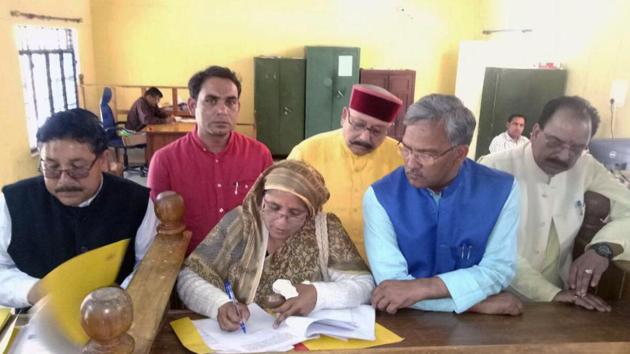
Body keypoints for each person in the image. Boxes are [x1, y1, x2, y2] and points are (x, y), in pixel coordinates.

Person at [365, 94, 523, 315]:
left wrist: (423, 287)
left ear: (460, 153)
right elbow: (391, 289)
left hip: (478, 335)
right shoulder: (380, 196)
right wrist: (476, 304)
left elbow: (498, 269)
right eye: (406, 148)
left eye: (426, 154)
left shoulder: (502, 190)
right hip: (404, 325)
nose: (410, 163)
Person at [177, 160, 374, 331]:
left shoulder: (325, 229)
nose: (281, 222)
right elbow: (189, 276)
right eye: (273, 207)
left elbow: (364, 286)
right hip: (245, 340)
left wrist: (318, 294)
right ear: (261, 198)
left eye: (295, 213)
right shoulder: (241, 223)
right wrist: (218, 304)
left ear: (311, 212)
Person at [479, 96, 630, 312]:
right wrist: (551, 294)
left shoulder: (585, 167)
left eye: (577, 148)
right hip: (493, 299)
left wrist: (603, 248)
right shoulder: (494, 167)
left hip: (559, 300)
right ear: (536, 132)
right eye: (555, 142)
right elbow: (494, 248)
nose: (564, 155)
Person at [0, 108, 158, 308]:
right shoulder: (13, 202)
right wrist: (33, 290)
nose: (64, 180)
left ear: (103, 160)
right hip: (37, 323)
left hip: (118, 322)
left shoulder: (137, 201)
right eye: (51, 167)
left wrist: (119, 300)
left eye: (78, 167)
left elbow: (148, 267)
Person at [148, 66, 273, 254]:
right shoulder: (164, 161)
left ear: (238, 107)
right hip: (187, 265)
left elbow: (271, 213)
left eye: (231, 102)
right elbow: (154, 229)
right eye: (211, 101)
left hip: (247, 263)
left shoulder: (259, 155)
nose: (222, 111)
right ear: (192, 106)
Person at [288, 84, 403, 260]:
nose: (364, 137)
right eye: (358, 124)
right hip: (319, 262)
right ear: (344, 116)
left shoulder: (400, 157)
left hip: (380, 265)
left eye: (377, 131)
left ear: (388, 129)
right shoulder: (307, 151)